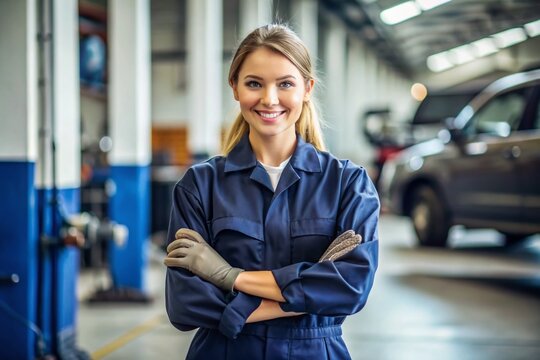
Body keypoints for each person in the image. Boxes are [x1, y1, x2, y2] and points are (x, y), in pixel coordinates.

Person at [163, 24, 379, 360]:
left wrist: (228, 276)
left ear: (307, 88)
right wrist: (308, 294)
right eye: (254, 83)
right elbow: (186, 304)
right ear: (234, 87)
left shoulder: (348, 184)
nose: (269, 99)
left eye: (285, 84)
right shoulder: (199, 186)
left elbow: (350, 287)